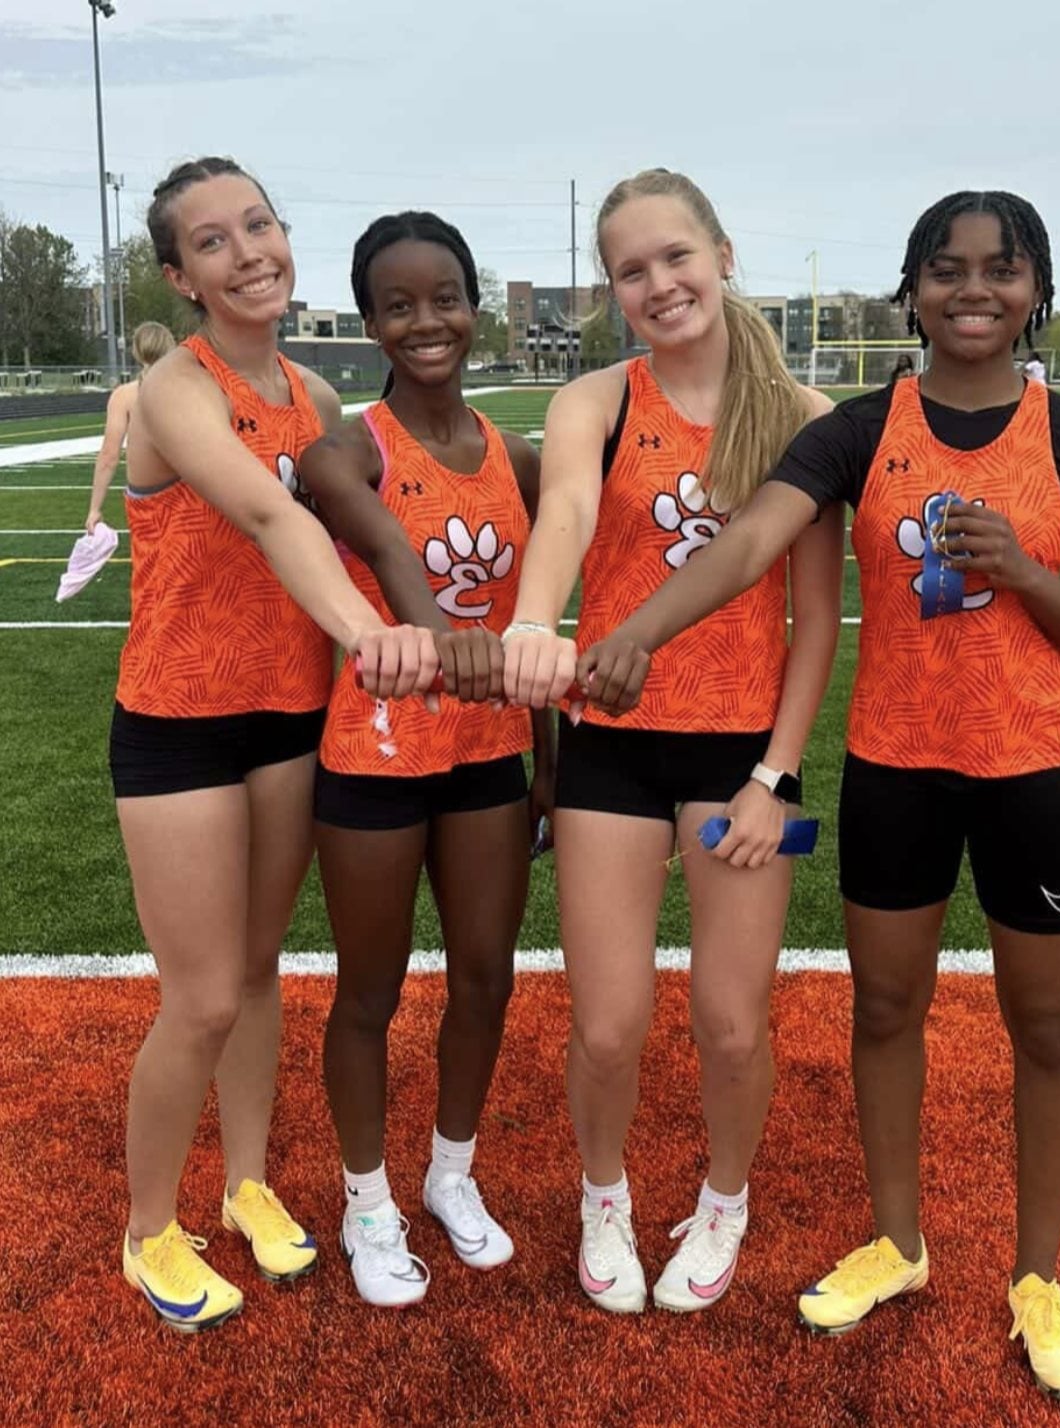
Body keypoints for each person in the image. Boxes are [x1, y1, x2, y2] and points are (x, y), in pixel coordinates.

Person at [577, 190, 1060, 1401]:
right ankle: (896, 1241)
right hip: (896, 767)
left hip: (1033, 772)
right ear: (912, 288)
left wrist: (1023, 575)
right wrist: (634, 635)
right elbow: (744, 547)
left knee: (1045, 1028)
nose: (972, 290)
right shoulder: (854, 430)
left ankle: (1036, 1277)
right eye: (945, 269)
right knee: (884, 1012)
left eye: (999, 269)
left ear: (1035, 288)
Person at [502, 168, 843, 1315]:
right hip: (611, 749)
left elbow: (812, 621)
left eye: (675, 257)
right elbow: (562, 516)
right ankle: (601, 1196)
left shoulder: (802, 421)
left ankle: (722, 1201)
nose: (658, 284)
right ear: (611, 290)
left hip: (740, 758)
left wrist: (773, 777)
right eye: (630, 270)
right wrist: (532, 624)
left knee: (732, 1025)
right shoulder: (594, 402)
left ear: (723, 254)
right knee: (606, 1027)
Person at [114, 157, 438, 1332]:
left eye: (258, 224)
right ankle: (149, 1230)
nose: (248, 251)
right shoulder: (173, 389)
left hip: (288, 719)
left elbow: (370, 525)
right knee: (201, 996)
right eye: (213, 241)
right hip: (178, 726)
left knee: (259, 972)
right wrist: (371, 634)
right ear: (179, 277)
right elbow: (263, 511)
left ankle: (246, 1182)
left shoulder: (316, 395)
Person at [298, 212, 553, 1308]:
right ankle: (367, 1202)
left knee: (486, 974)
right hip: (378, 749)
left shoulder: (518, 457)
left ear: (475, 305)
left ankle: (451, 1173)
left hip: (493, 749)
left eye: (444, 297)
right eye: (397, 305)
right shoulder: (345, 451)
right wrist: (441, 639)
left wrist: (550, 759)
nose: (426, 321)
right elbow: (391, 549)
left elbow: (534, 614)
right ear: (370, 324)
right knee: (372, 989)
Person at [85, 322, 177, 534]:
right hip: (184, 490)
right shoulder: (188, 389)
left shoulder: (124, 396)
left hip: (145, 494)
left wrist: (95, 509)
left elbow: (109, 456)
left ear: (136, 352)